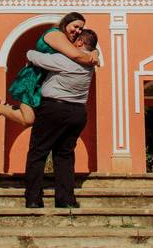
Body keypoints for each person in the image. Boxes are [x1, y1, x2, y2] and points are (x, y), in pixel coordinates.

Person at [0, 12, 98, 127]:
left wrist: (94, 51)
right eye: (75, 26)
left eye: (81, 29)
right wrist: (93, 57)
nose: (78, 31)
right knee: (28, 120)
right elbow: (76, 55)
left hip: (43, 81)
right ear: (66, 23)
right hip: (32, 79)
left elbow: (84, 48)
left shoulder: (69, 40)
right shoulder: (56, 35)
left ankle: (1, 107)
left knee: (34, 119)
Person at [22, 28, 98, 209]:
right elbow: (93, 53)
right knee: (65, 155)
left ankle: (33, 199)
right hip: (78, 112)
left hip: (54, 109)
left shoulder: (64, 59)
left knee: (38, 152)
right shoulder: (92, 62)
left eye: (74, 41)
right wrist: (94, 51)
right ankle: (66, 200)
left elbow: (33, 55)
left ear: (79, 43)